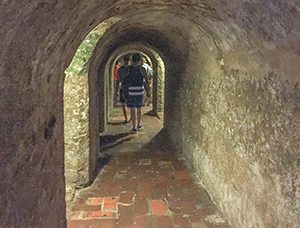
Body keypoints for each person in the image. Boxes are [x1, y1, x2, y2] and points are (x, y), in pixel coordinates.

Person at [125, 53, 151, 134]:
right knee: (139, 108)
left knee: (132, 109)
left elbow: (125, 80)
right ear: (139, 60)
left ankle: (134, 127)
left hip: (131, 91)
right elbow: (146, 80)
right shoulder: (142, 68)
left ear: (132, 60)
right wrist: (148, 91)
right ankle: (139, 124)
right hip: (139, 90)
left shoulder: (128, 68)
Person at [116, 55, 131, 124]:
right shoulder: (131, 69)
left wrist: (117, 90)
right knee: (132, 104)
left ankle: (126, 119)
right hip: (131, 88)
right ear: (129, 61)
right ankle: (132, 118)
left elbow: (118, 80)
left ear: (124, 61)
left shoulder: (120, 69)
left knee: (124, 104)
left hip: (123, 88)